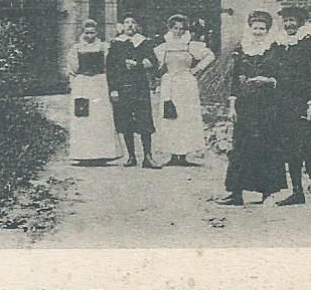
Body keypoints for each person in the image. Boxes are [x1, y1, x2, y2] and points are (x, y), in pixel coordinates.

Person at [219, 11, 287, 206]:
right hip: (245, 105)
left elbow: (284, 77)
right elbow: (234, 79)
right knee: (241, 147)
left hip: (267, 105)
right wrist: (232, 106)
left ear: (267, 30)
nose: (258, 32)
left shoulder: (275, 49)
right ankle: (236, 193)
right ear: (250, 29)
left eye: (262, 28)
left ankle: (268, 192)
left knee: (266, 147)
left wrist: (267, 80)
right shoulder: (242, 50)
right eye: (255, 28)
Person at [271, 6, 311, 212]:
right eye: (286, 20)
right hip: (283, 103)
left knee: (309, 148)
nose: (289, 24)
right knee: (290, 148)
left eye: (293, 20)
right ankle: (297, 192)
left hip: (303, 103)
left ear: (301, 21)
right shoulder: (279, 44)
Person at [155, 14, 215, 165]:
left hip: (186, 83)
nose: (178, 31)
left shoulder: (190, 45)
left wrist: (197, 69)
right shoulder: (164, 46)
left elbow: (210, 56)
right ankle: (172, 154)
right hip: (170, 83)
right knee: (170, 117)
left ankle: (184, 155)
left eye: (182, 29)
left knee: (186, 117)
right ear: (170, 28)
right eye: (175, 28)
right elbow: (157, 63)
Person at [106, 15, 161, 169]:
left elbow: (153, 62)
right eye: (127, 22)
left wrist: (143, 64)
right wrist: (113, 89)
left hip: (140, 86)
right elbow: (110, 69)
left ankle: (148, 157)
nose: (130, 25)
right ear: (121, 26)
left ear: (137, 26)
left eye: (133, 22)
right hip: (122, 86)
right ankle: (131, 156)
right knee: (125, 120)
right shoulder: (116, 44)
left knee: (145, 120)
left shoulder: (144, 42)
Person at [65, 18, 121, 165]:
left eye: (93, 32)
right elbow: (73, 70)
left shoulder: (103, 47)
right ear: (83, 32)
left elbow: (109, 66)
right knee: (83, 117)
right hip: (83, 84)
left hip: (99, 83)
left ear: (97, 32)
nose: (90, 36)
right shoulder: (77, 48)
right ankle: (83, 154)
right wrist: (74, 84)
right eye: (87, 32)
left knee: (100, 118)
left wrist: (111, 87)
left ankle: (102, 154)